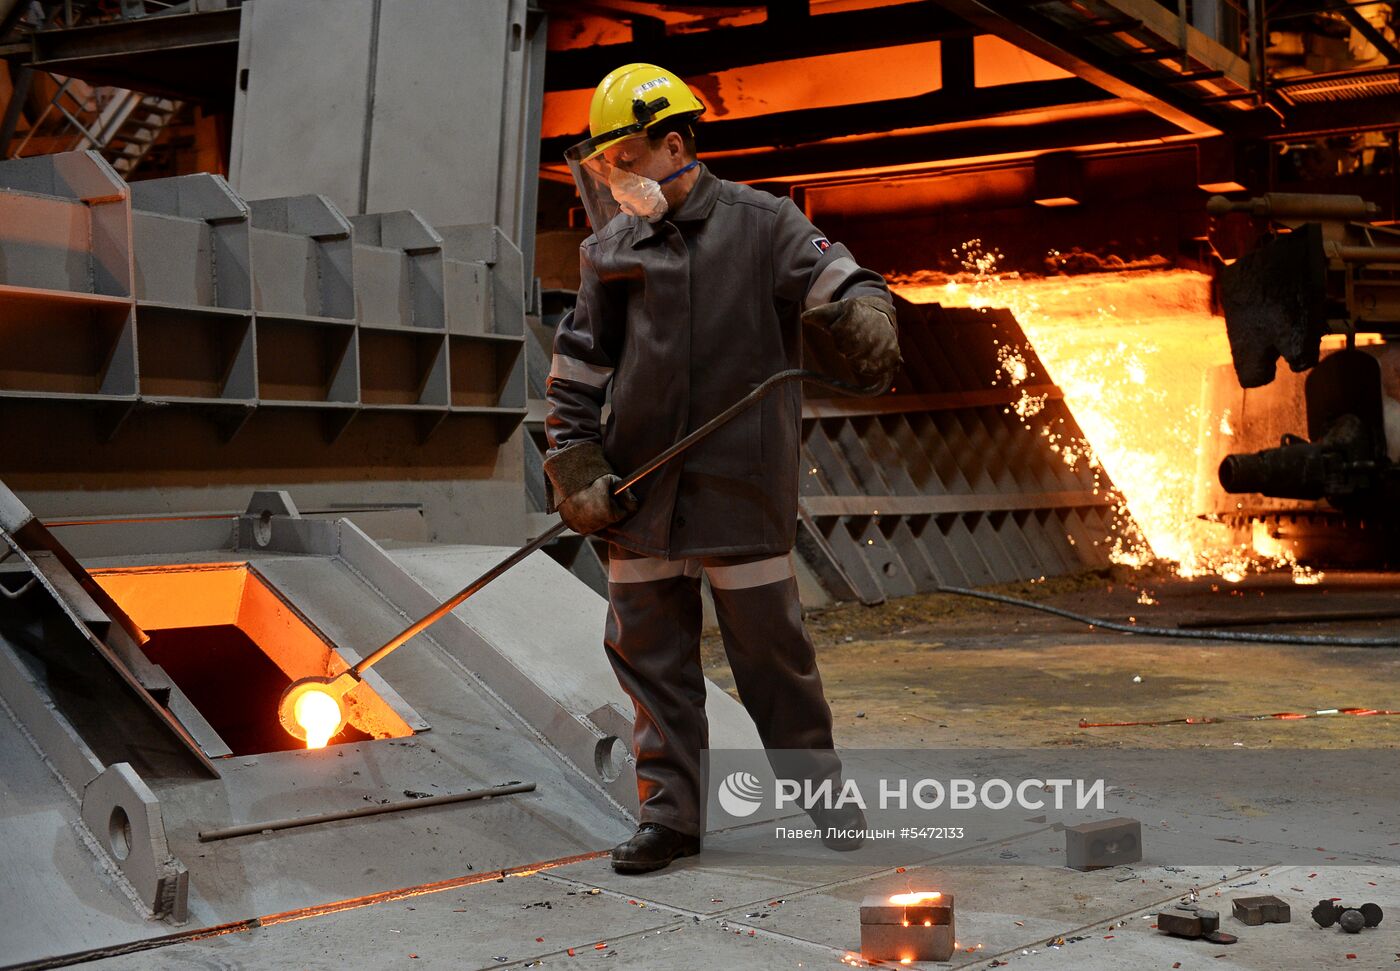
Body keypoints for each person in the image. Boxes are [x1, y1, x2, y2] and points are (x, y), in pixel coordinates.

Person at [543, 63, 901, 874]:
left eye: (627, 158)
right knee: (653, 664)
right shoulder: (609, 250)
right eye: (607, 164)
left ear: (676, 144)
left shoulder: (763, 223)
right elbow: (578, 372)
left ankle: (823, 800)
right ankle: (670, 818)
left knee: (774, 663)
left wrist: (869, 311)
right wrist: (574, 467)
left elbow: (840, 276)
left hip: (739, 494)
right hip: (641, 497)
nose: (618, 177)